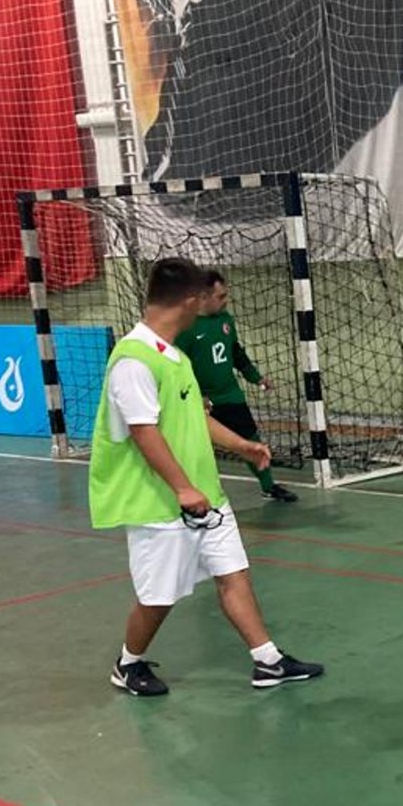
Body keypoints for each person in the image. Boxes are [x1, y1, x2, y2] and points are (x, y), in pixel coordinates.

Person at [89, 257, 324, 697]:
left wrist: (243, 446)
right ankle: (128, 663)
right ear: (192, 300)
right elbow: (145, 433)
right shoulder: (133, 360)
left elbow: (193, 418)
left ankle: (267, 661)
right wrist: (181, 487)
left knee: (234, 573)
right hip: (158, 502)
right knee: (159, 596)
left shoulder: (173, 356)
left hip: (205, 495)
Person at [176, 270, 297, 502]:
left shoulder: (225, 320)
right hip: (201, 400)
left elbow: (235, 352)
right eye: (220, 297)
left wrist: (256, 377)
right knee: (195, 448)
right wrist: (196, 395)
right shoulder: (186, 327)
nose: (225, 301)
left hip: (229, 395)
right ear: (203, 297)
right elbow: (178, 365)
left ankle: (269, 486)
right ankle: (191, 493)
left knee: (252, 439)